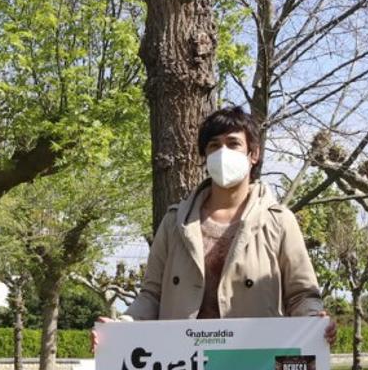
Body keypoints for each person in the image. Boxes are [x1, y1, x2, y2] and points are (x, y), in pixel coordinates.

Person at [99, 106, 335, 343]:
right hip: (182, 359)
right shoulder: (174, 222)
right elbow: (151, 296)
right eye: (214, 145)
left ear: (253, 154)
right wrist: (122, 326)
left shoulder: (279, 221)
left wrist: (314, 319)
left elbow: (301, 294)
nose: (223, 152)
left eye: (233, 144)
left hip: (254, 356)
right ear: (205, 156)